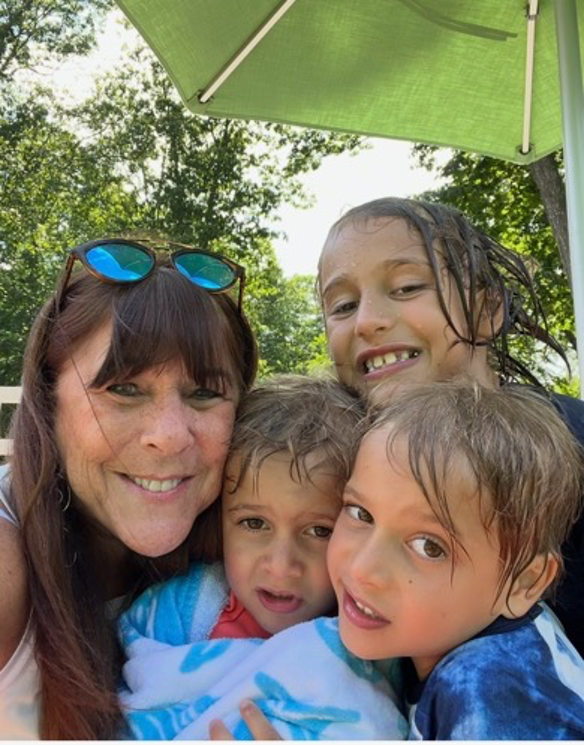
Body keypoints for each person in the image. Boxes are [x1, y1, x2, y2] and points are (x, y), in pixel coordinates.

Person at [0, 237, 258, 740]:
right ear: (48, 403)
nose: (169, 435)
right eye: (123, 389)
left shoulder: (263, 553)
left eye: (205, 393)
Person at [318, 196, 584, 656]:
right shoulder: (333, 458)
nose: (367, 321)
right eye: (343, 306)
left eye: (406, 287)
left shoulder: (574, 442)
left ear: (487, 309)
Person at [118, 375, 407, 741]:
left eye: (319, 531)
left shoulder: (374, 642)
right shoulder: (177, 612)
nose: (281, 566)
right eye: (254, 523)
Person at [327, 381, 584, 740]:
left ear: (523, 582)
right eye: (360, 513)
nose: (362, 569)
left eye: (429, 547)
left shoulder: (489, 695)